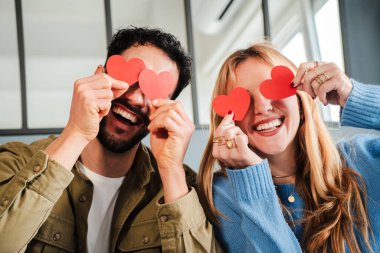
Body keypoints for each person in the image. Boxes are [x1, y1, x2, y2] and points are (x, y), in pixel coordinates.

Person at [0, 27, 221, 253]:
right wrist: (76, 132)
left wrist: (171, 171)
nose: (135, 97)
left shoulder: (184, 188)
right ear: (99, 76)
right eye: (128, 78)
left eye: (153, 90)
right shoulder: (15, 162)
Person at [198, 43, 380, 253]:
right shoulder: (224, 196)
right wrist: (251, 178)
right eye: (244, 99)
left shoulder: (364, 157)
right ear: (230, 122)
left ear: (301, 103)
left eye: (273, 88)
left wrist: (354, 96)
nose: (263, 107)